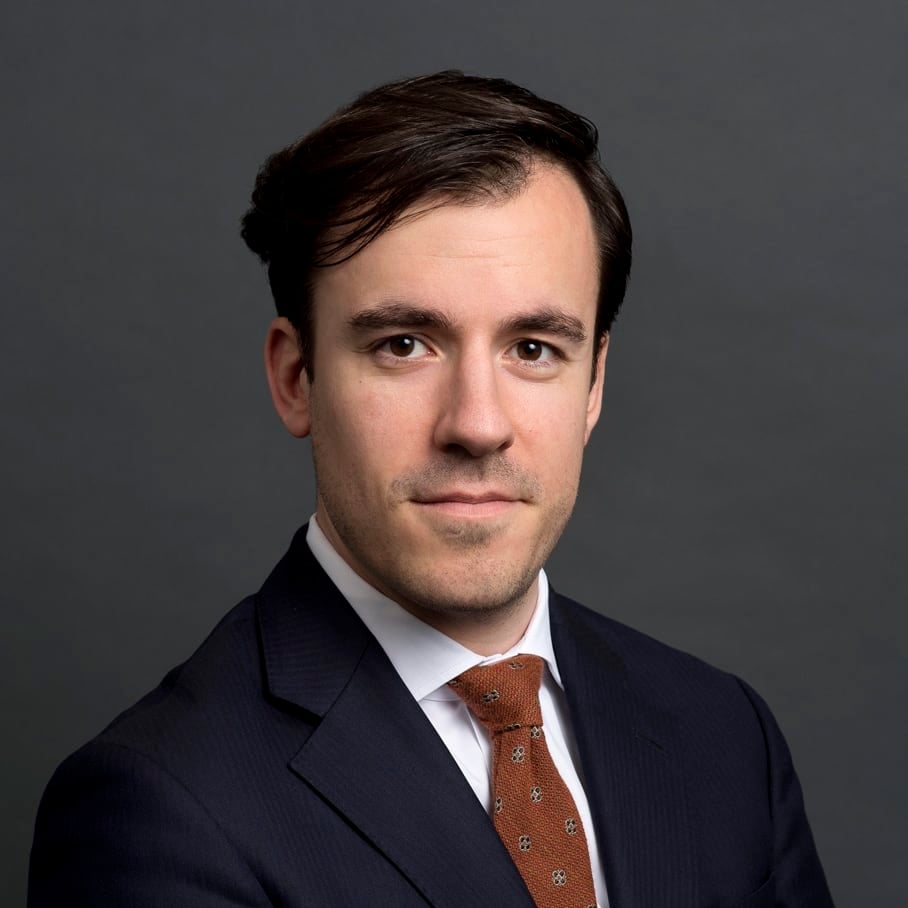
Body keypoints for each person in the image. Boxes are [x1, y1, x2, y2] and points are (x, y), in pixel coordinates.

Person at [28, 71, 834, 907]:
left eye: (533, 349)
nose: (477, 424)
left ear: (593, 384)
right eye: (404, 344)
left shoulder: (723, 734)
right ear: (296, 378)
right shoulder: (159, 806)